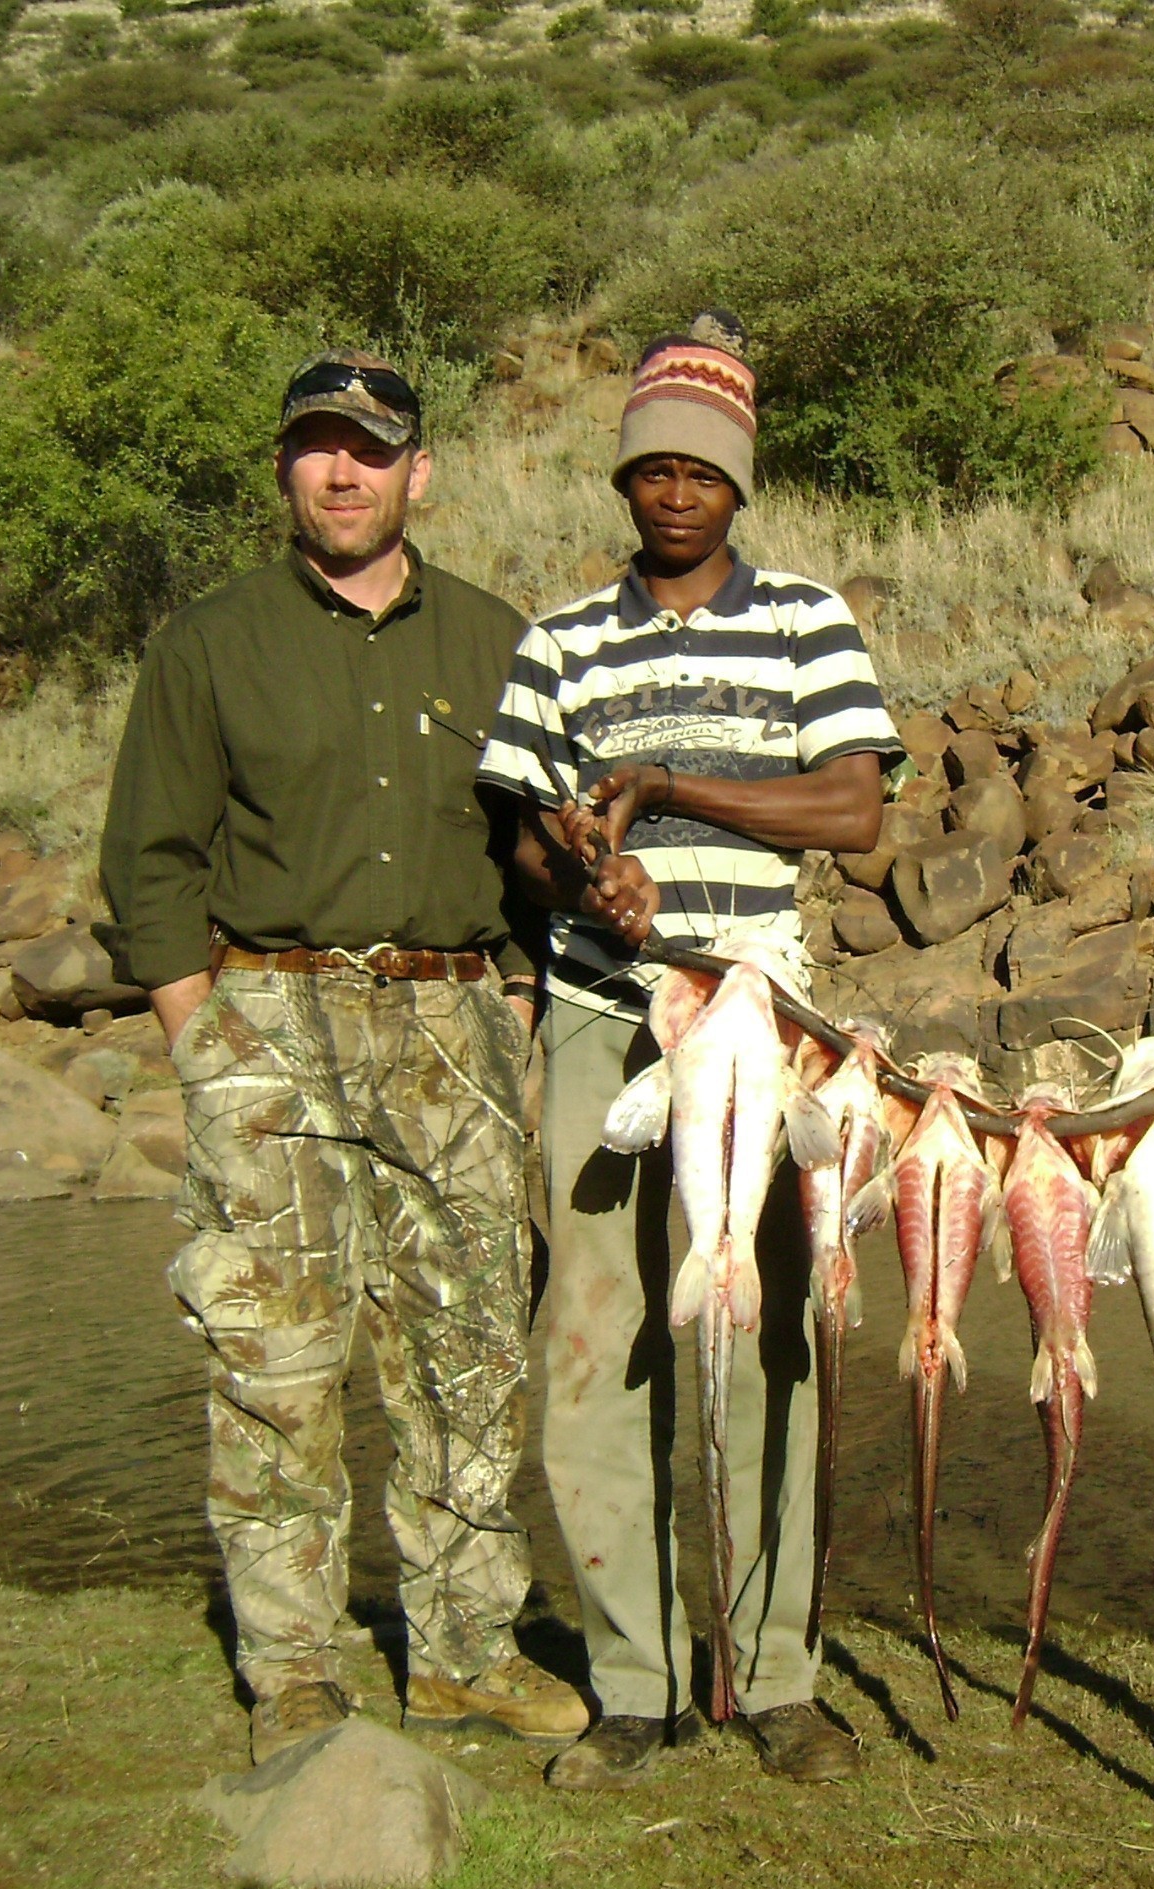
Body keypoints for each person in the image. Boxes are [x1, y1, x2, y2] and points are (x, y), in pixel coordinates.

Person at [99, 351, 586, 1763]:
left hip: (455, 1022)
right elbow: (154, 861)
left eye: (369, 450)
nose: (343, 473)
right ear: (286, 472)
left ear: (416, 471)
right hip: (271, 1019)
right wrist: (208, 1042)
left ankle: (463, 1650)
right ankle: (296, 1671)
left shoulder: (499, 641)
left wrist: (517, 1002)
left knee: (469, 1354)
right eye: (317, 448)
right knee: (276, 1367)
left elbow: (543, 855)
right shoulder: (208, 643)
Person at [476, 315, 901, 1791]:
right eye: (650, 467)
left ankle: (773, 1673)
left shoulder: (805, 622)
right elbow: (520, 838)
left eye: (701, 471)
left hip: (757, 1025)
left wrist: (668, 787)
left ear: (739, 485)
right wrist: (580, 865)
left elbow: (852, 810)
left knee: (763, 1334)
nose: (674, 492)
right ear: (623, 480)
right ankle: (636, 1681)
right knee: (597, 1348)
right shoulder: (558, 641)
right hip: (602, 1013)